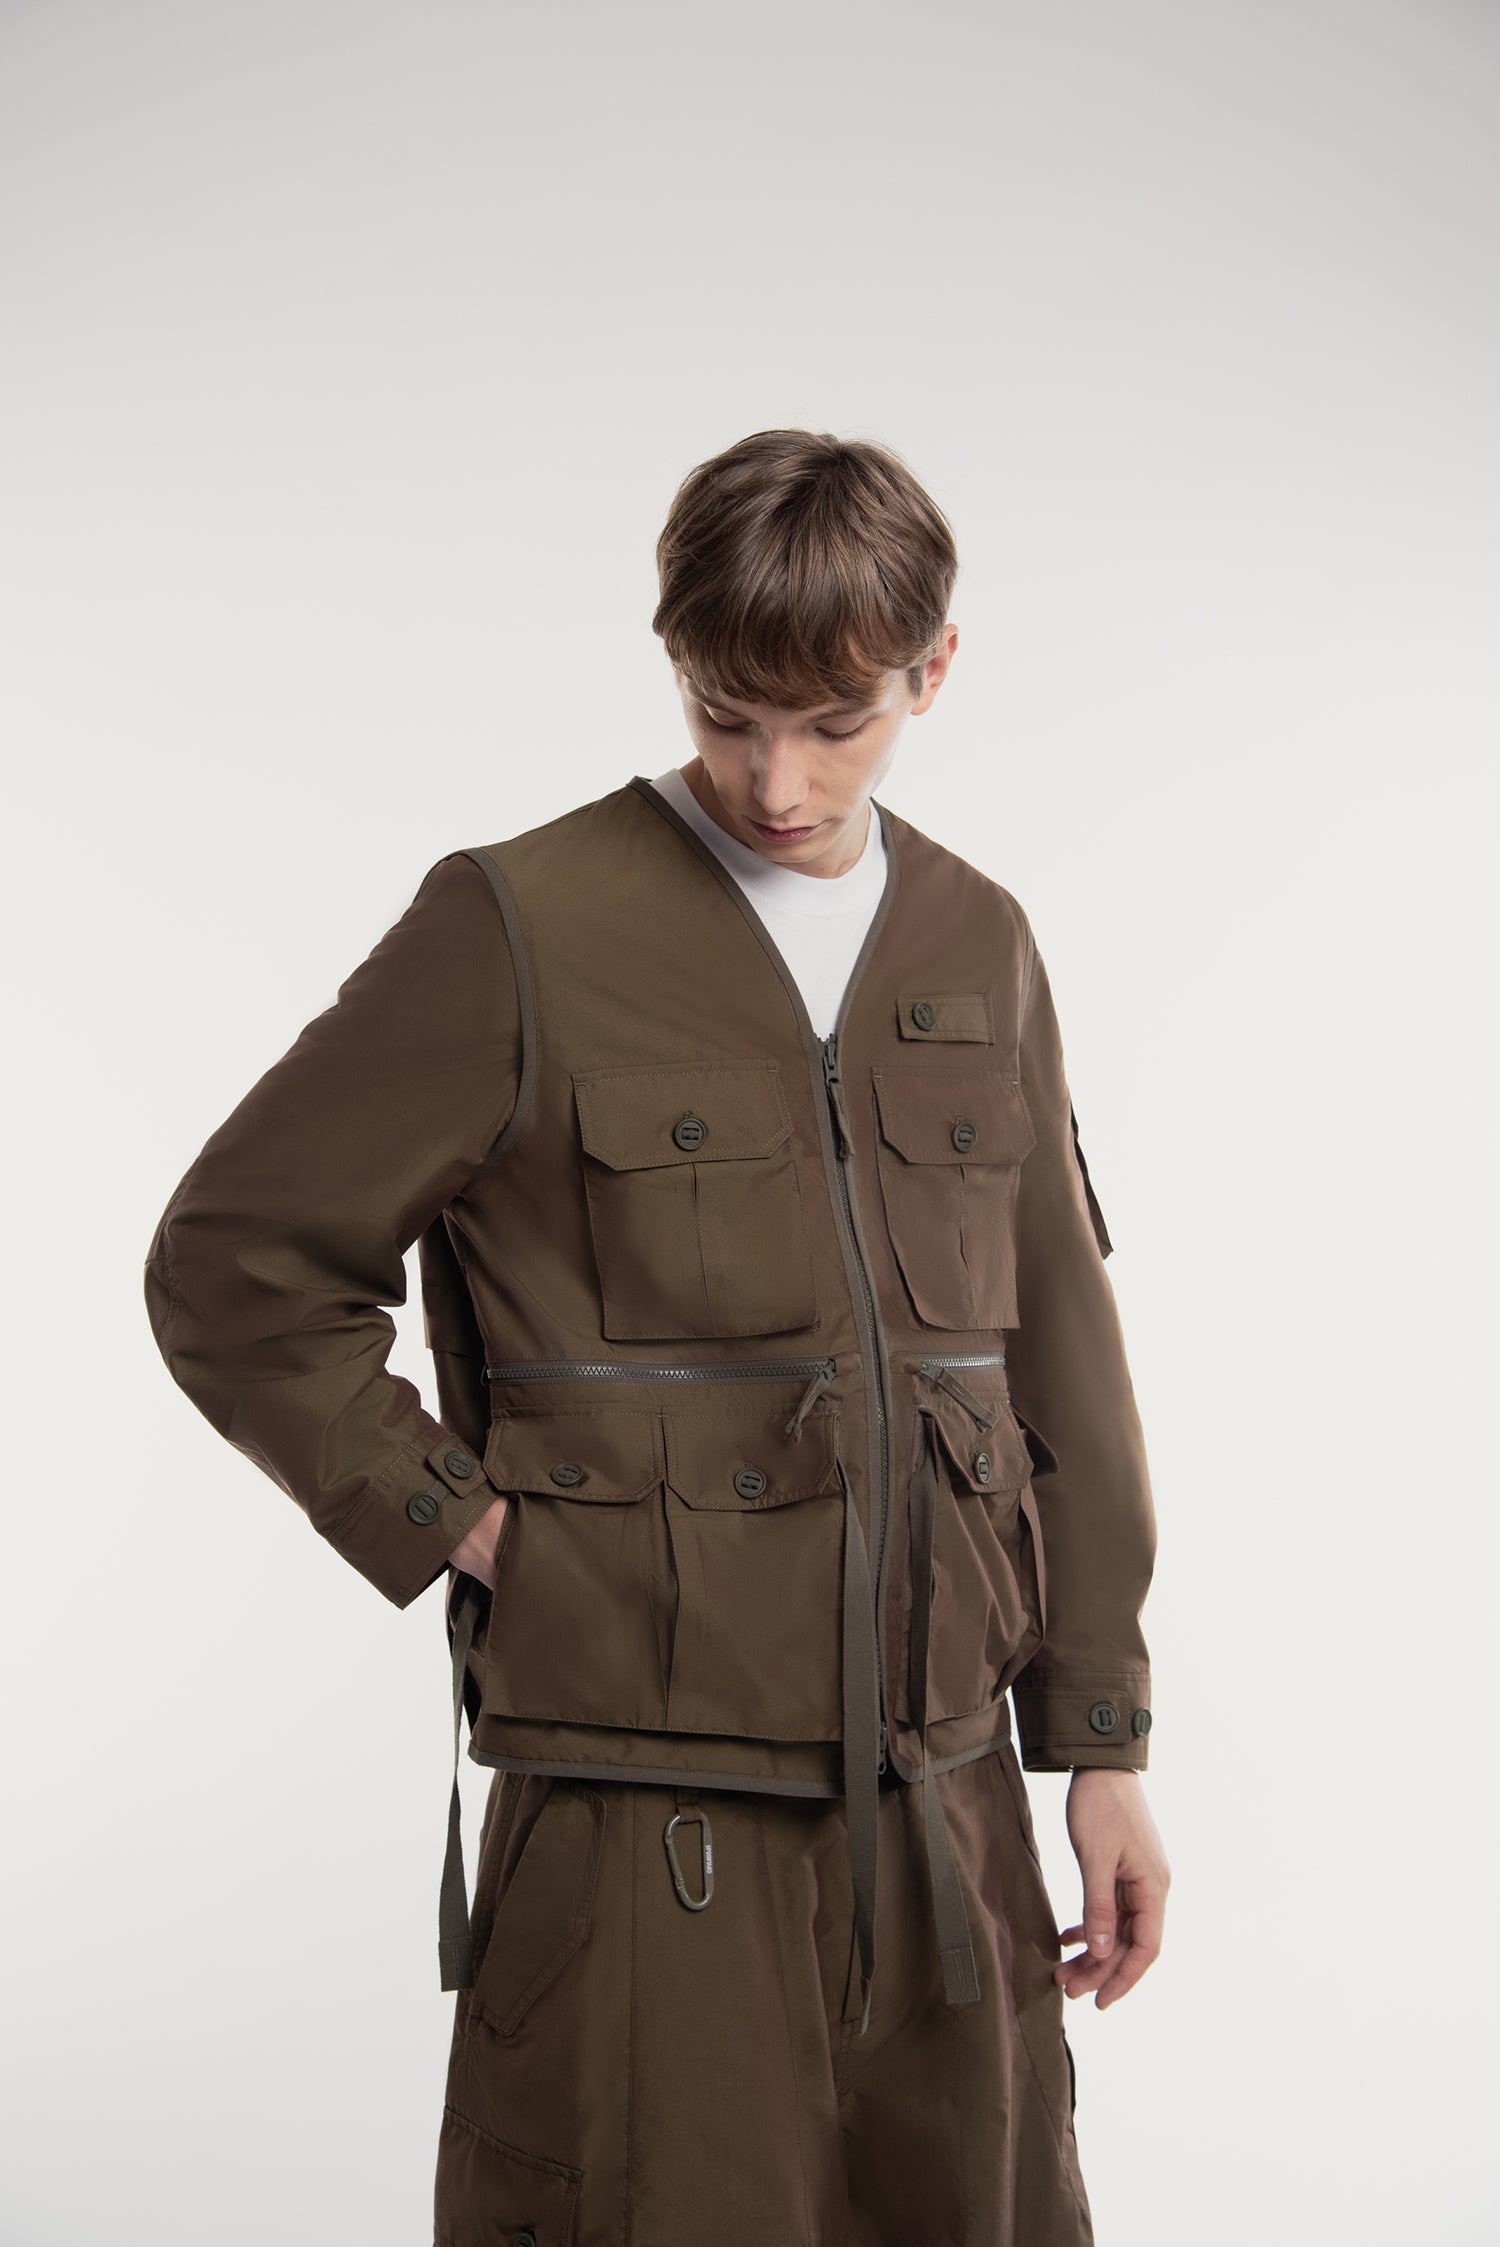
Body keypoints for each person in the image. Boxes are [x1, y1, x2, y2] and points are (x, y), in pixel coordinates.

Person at [144, 427, 1169, 2246]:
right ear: (672, 659)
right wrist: (459, 1519)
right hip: (643, 1816)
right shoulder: (521, 924)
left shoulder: (979, 941)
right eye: (726, 716)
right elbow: (236, 1264)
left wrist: (1101, 1744)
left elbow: (1058, 1362)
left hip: (947, 1817)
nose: (777, 781)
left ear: (935, 670)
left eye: (836, 723)